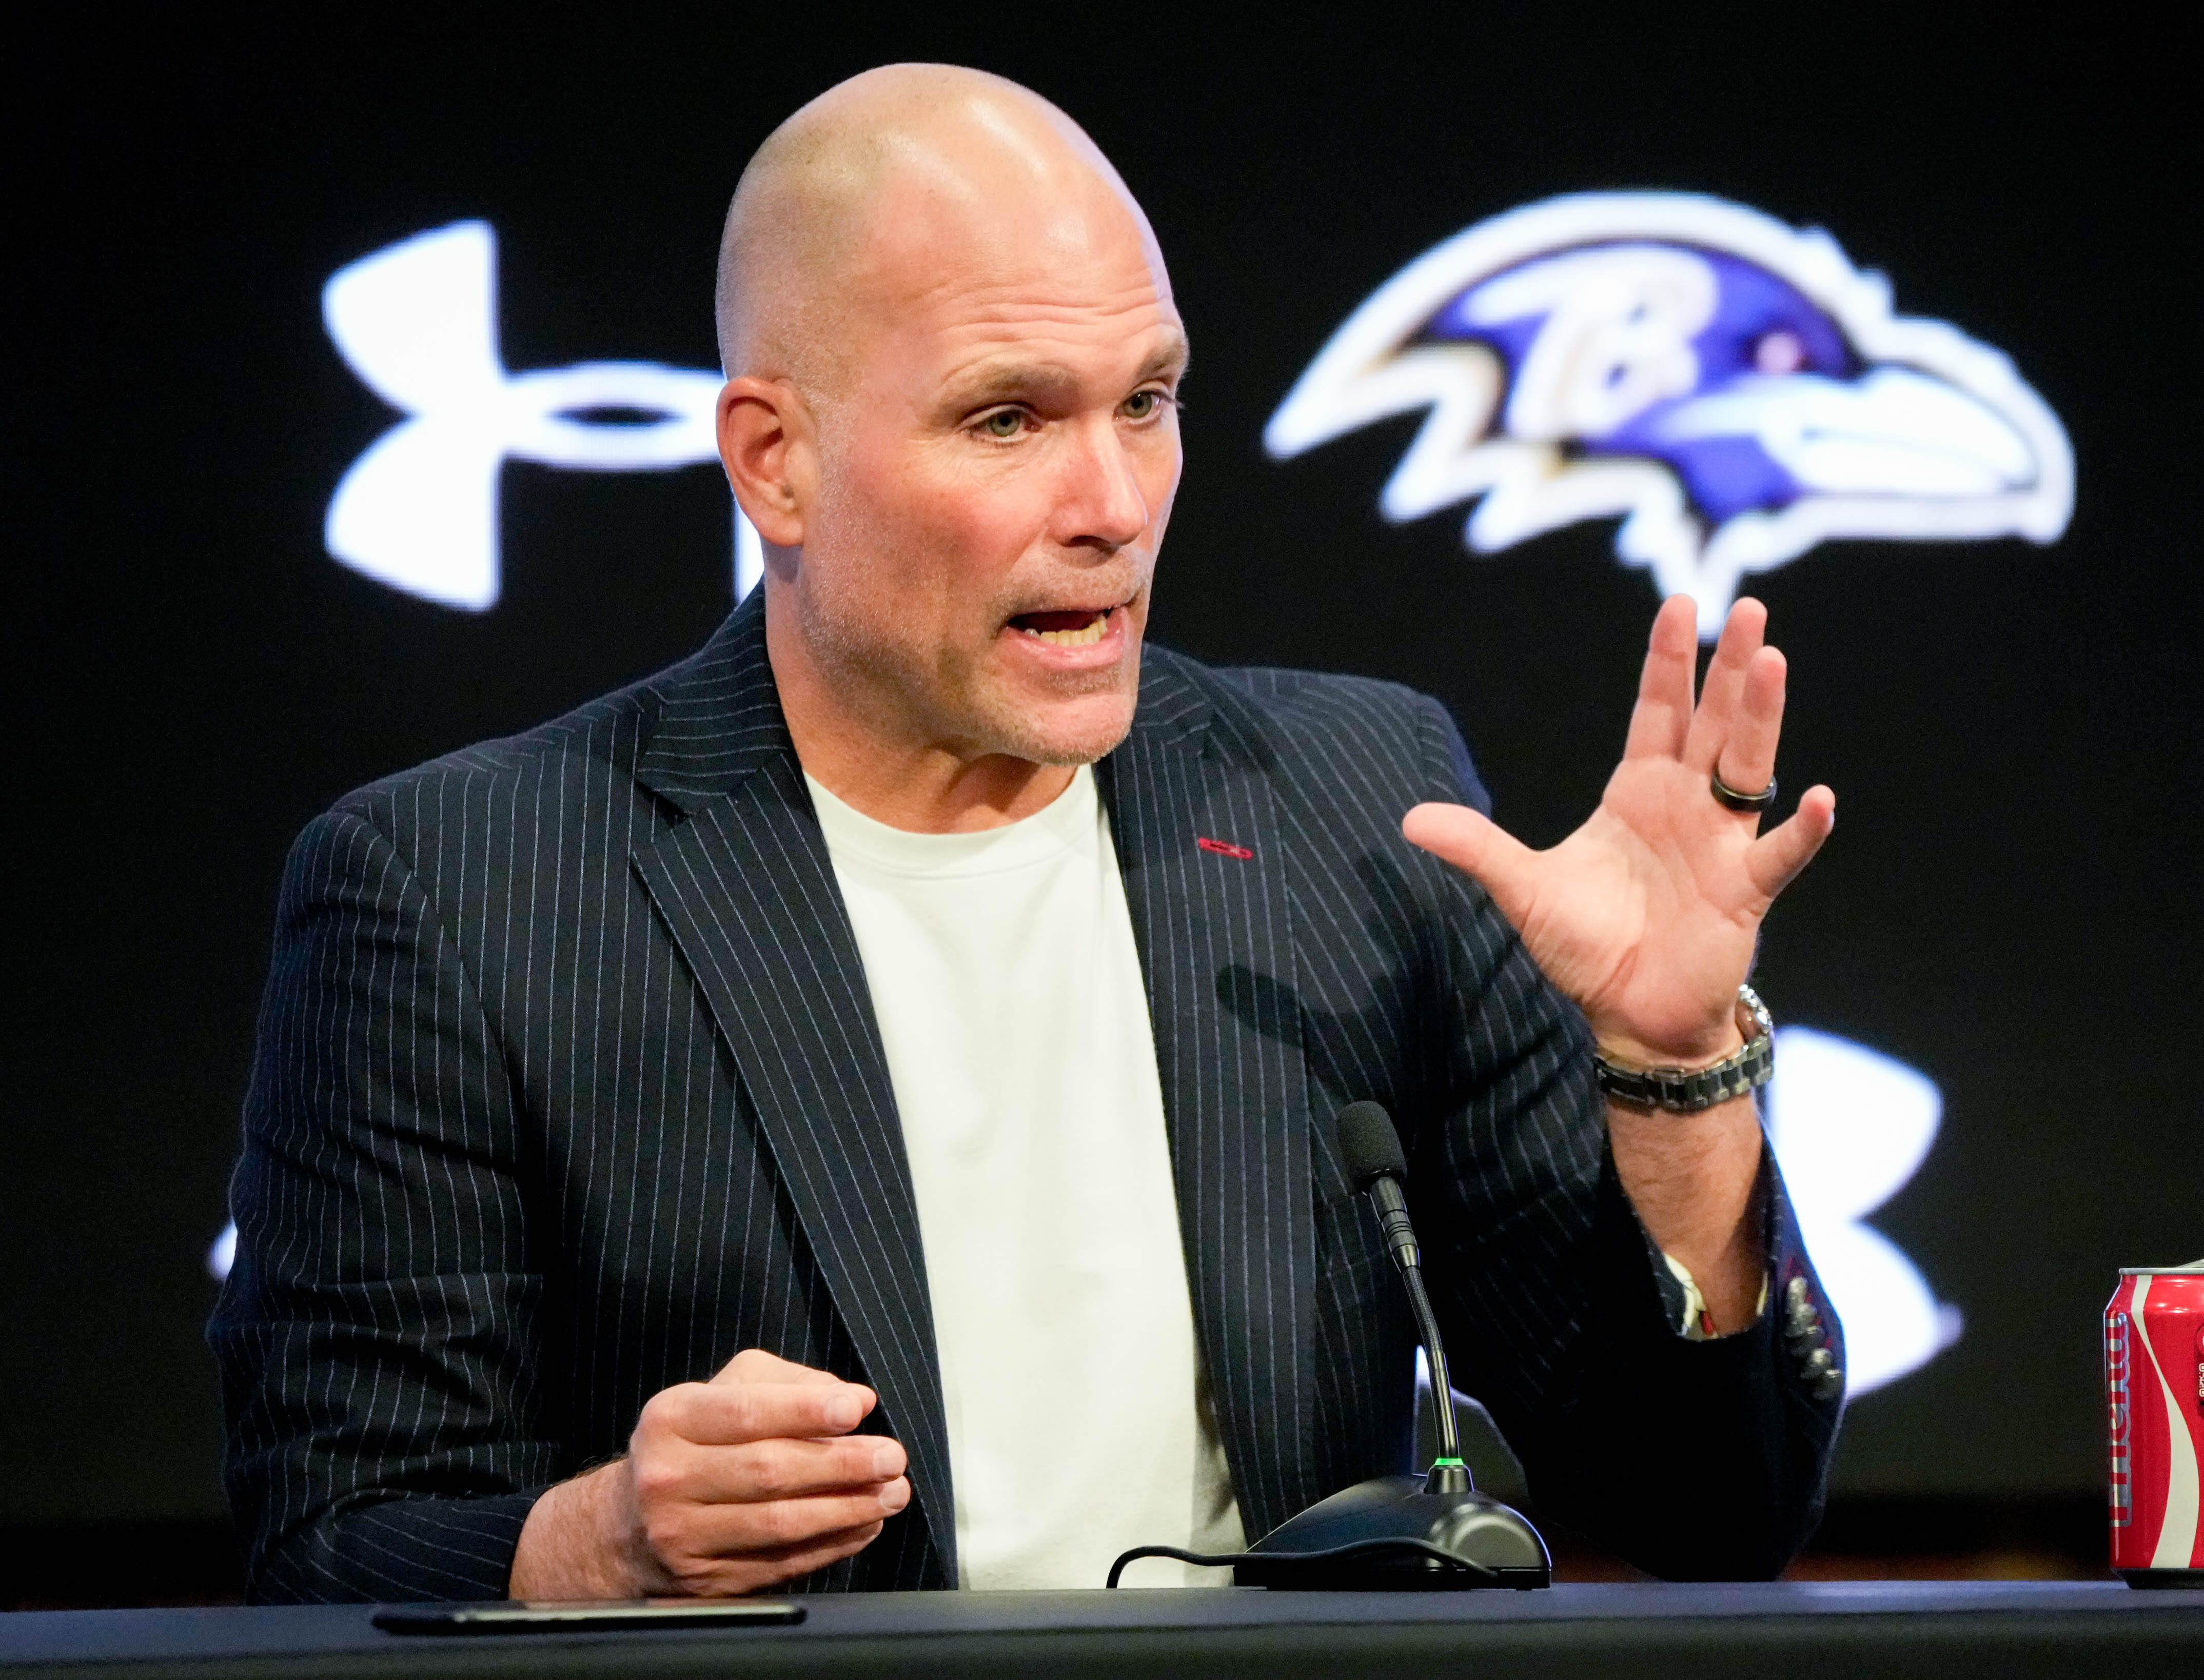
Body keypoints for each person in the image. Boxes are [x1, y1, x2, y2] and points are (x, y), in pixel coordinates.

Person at [211, 64, 1846, 1603]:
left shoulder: (1358, 799)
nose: (1113, 502)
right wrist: (605, 1537)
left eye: (1146, 400)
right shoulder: (463, 889)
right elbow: (329, 1540)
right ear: (774, 463)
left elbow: (1706, 1513)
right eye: (1007, 419)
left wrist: (1673, 1070)